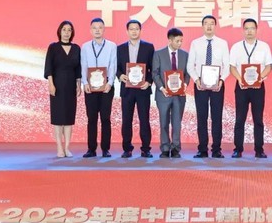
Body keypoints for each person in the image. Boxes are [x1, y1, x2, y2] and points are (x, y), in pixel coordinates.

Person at [186, 15, 230, 158]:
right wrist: (196, 80)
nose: (209, 26)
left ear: (215, 26)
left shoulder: (222, 43)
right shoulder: (195, 43)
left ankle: (216, 149)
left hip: (218, 85)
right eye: (206, 23)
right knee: (201, 117)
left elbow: (227, 66)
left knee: (217, 117)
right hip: (200, 85)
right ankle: (202, 149)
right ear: (202, 26)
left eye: (212, 23)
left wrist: (221, 80)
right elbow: (190, 66)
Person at [229, 18, 272, 158]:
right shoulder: (236, 47)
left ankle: (259, 149)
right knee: (239, 119)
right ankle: (238, 149)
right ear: (243, 30)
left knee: (258, 119)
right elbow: (232, 67)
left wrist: (260, 77)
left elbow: (269, 66)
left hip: (258, 87)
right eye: (247, 28)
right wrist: (240, 79)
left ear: (256, 30)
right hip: (241, 87)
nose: (249, 31)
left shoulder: (264, 46)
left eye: (252, 28)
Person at [116, 20, 155, 158]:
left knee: (144, 120)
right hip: (127, 89)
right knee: (126, 120)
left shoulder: (148, 47)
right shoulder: (120, 48)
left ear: (140, 31)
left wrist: (149, 82)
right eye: (131, 29)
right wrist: (120, 75)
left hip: (143, 89)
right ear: (127, 31)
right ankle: (127, 149)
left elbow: (153, 68)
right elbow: (116, 67)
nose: (134, 31)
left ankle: (146, 149)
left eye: (136, 29)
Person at [44, 21, 82, 158]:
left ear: (72, 33)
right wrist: (51, 84)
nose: (66, 32)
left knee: (69, 118)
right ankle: (59, 147)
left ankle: (67, 148)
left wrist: (78, 85)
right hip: (57, 86)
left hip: (71, 86)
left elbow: (78, 69)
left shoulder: (76, 48)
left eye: (69, 30)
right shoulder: (53, 47)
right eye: (64, 29)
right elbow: (48, 67)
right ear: (59, 31)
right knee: (58, 118)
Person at [81, 17, 117, 158]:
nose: (97, 30)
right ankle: (91, 149)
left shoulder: (111, 46)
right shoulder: (85, 47)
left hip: (106, 86)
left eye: (100, 28)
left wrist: (110, 82)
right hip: (90, 86)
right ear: (90, 30)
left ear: (104, 29)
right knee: (91, 118)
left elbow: (113, 64)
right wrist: (85, 83)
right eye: (94, 28)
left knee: (105, 118)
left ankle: (105, 149)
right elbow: (83, 65)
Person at [152, 27, 190, 158]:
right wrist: (162, 88)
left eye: (181, 41)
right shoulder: (158, 54)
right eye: (177, 41)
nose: (180, 43)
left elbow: (187, 74)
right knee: (163, 122)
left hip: (179, 95)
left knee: (177, 123)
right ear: (170, 40)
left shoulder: (185, 55)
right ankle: (164, 148)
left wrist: (185, 85)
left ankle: (175, 148)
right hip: (163, 94)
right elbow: (155, 73)